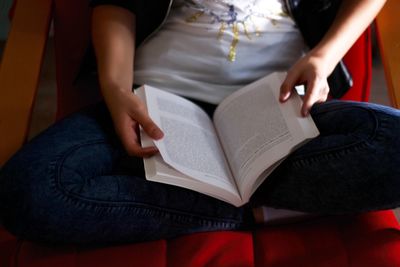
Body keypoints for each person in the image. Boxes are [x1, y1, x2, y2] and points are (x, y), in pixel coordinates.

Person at [1, 0, 399, 244]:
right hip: (156, 107)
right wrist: (117, 90)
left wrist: (323, 58)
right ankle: (257, 209)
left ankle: (222, 199)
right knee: (27, 191)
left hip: (279, 104)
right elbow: (114, 3)